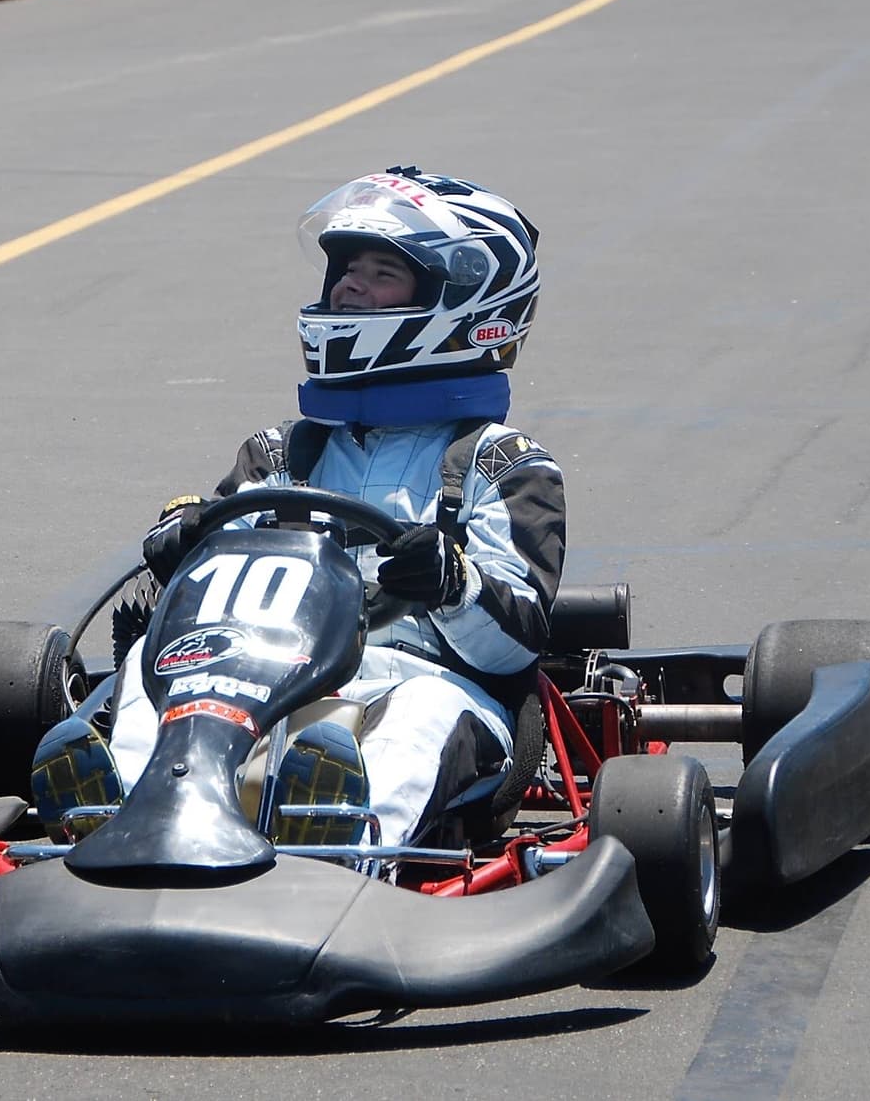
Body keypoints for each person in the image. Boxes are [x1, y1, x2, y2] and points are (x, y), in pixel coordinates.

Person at [108, 167, 564, 856]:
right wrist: (187, 544)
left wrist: (453, 583)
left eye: (382, 272)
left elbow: (520, 642)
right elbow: (213, 560)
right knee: (155, 658)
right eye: (347, 270)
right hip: (261, 677)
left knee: (423, 717)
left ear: (464, 304)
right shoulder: (281, 452)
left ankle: (347, 847)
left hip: (420, 680)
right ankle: (115, 815)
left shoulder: (501, 464)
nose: (350, 286)